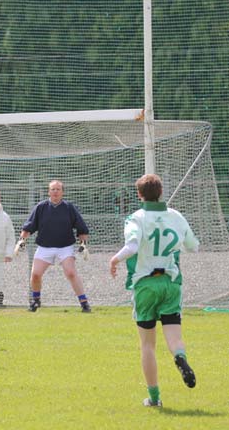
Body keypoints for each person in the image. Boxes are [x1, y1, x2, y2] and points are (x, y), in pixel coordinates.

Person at [109, 173, 199, 407]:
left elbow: (133, 245)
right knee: (174, 336)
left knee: (147, 344)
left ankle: (155, 398)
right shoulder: (177, 216)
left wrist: (114, 260)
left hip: (146, 284)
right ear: (161, 192)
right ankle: (180, 357)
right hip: (170, 283)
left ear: (139, 195)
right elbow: (193, 247)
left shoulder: (135, 218)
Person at [16, 179, 91, 313]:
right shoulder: (41, 207)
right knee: (35, 274)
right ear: (48, 191)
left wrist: (83, 244)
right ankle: (36, 301)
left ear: (62, 192)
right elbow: (29, 226)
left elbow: (81, 228)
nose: (55, 192)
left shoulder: (69, 207)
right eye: (52, 189)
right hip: (45, 247)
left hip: (65, 247)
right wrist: (22, 240)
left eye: (58, 189)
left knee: (71, 272)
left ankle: (84, 303)